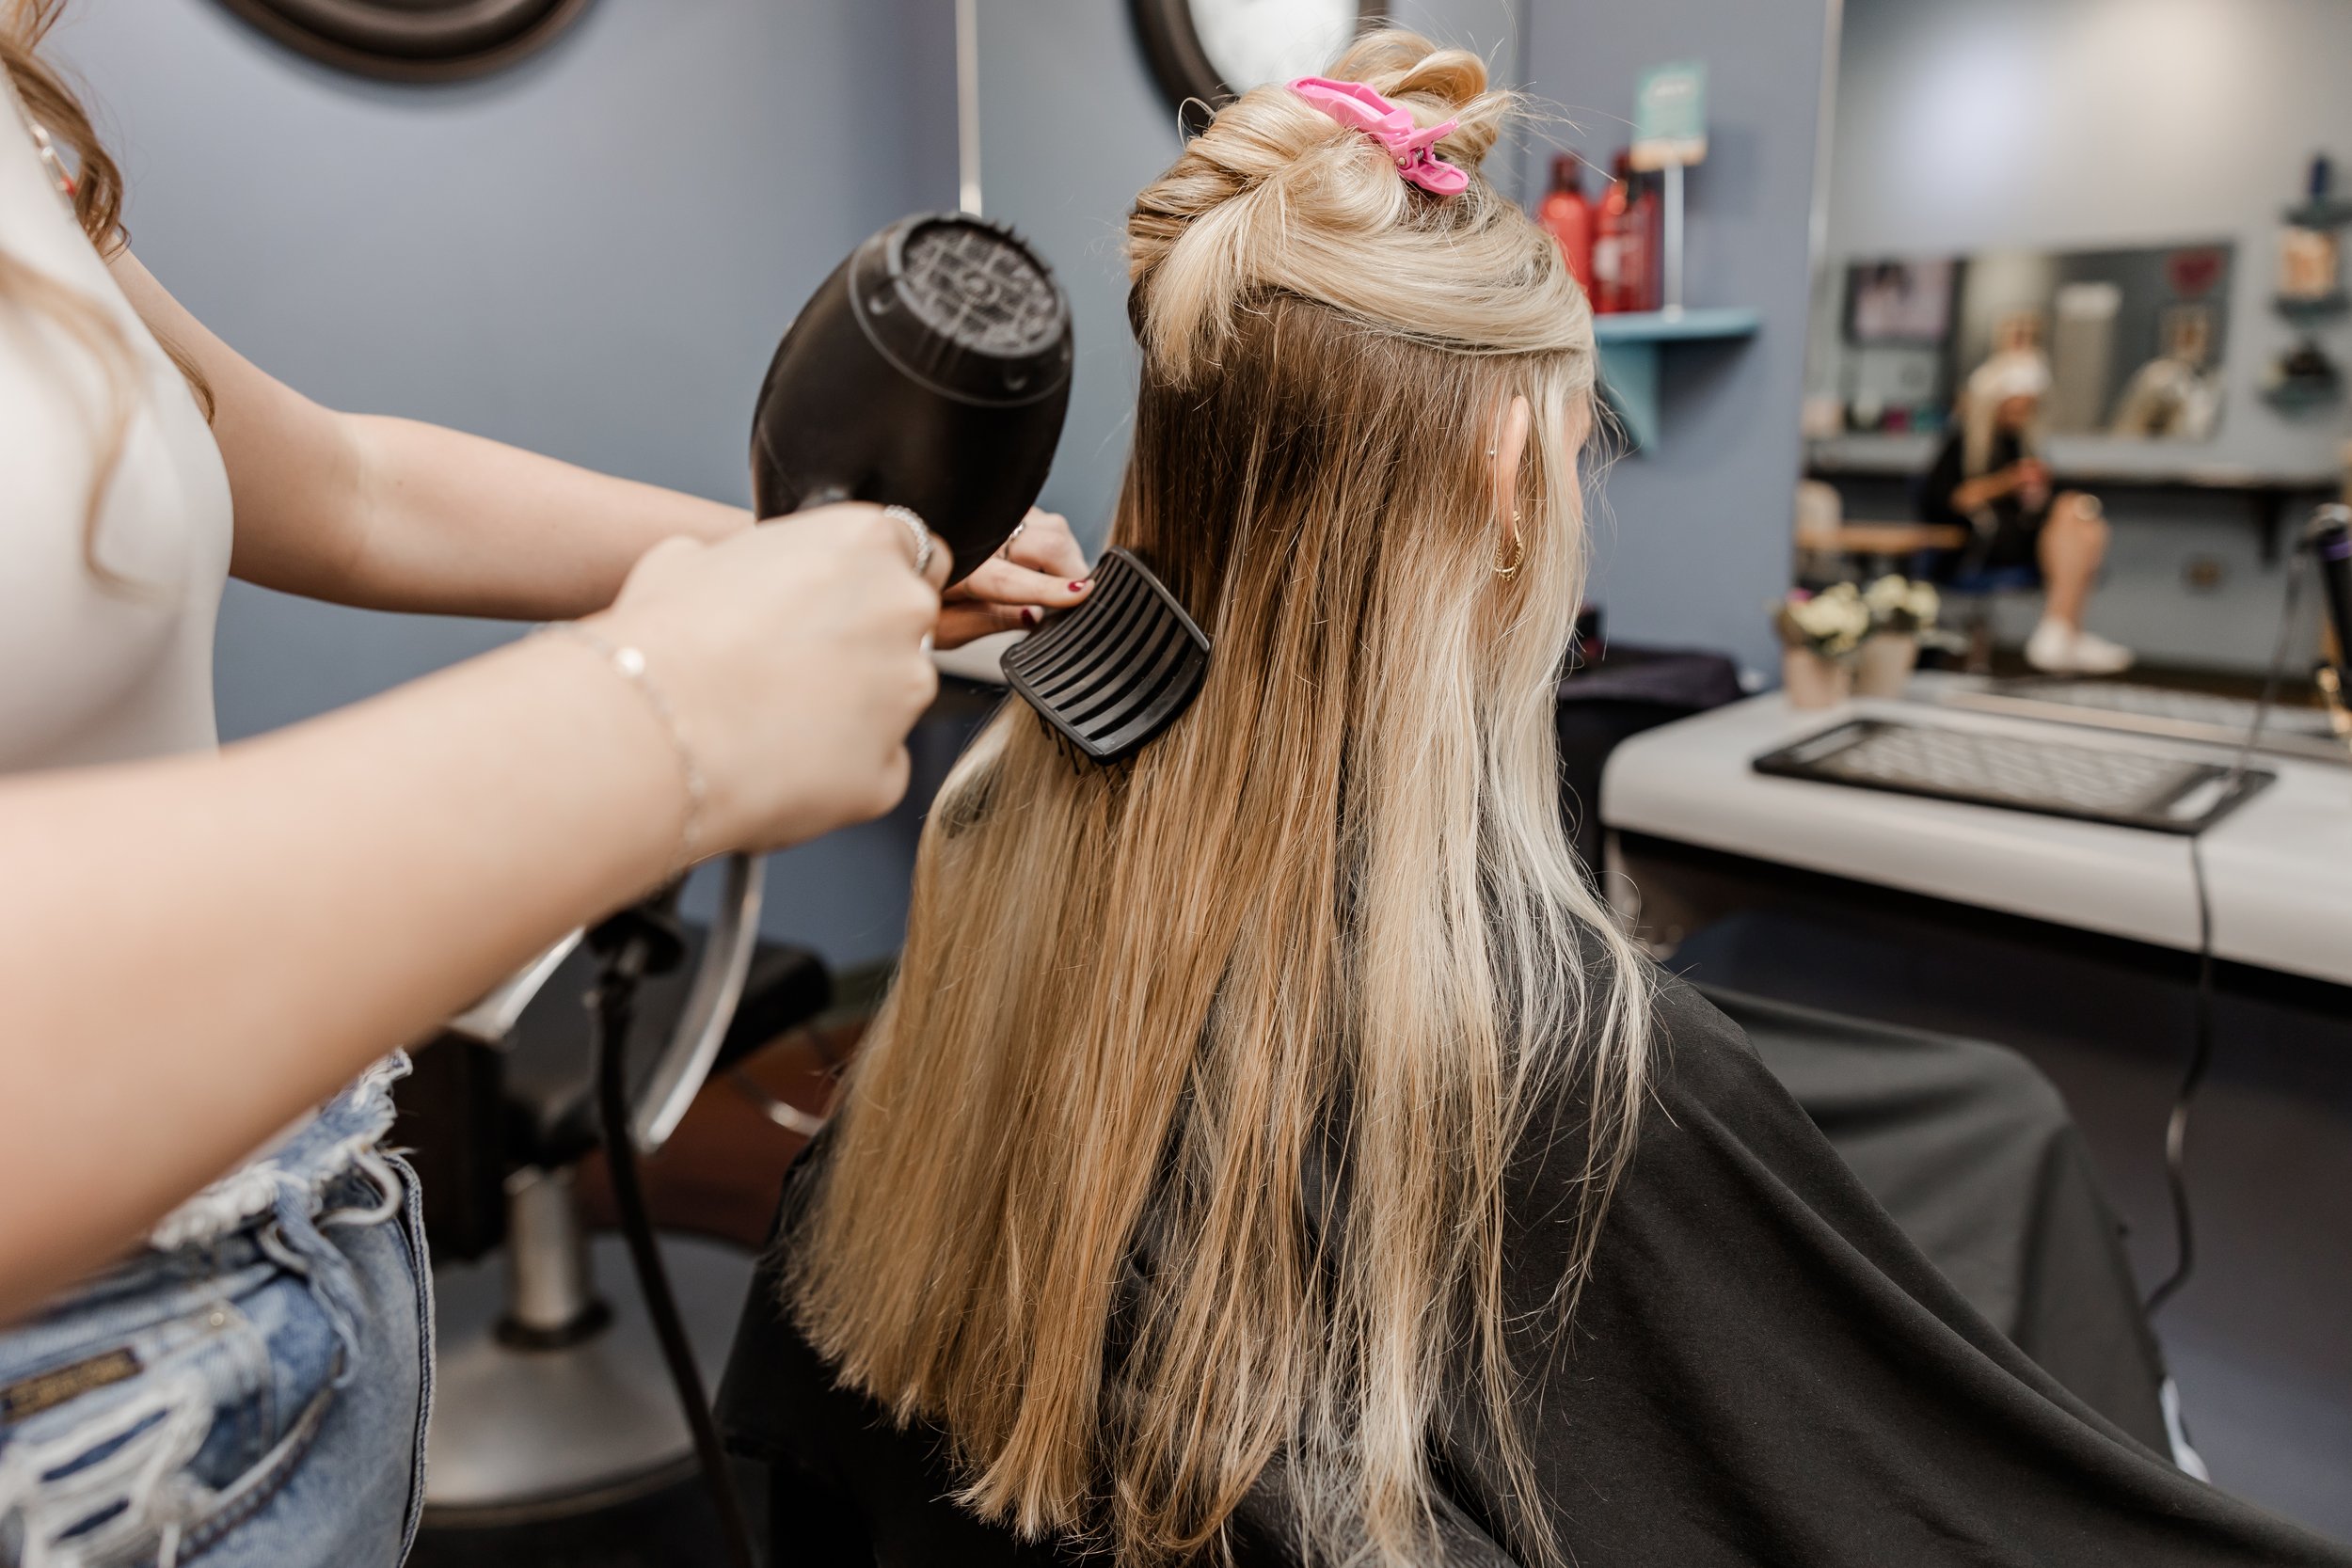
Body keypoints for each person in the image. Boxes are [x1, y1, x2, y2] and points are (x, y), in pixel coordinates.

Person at [720, 33, 2352, 1568]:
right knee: (1999, 1150)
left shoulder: (997, 826)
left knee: (1986, 1118)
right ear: (1510, 471)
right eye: (1580, 445)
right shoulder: (1585, 1057)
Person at [0, 1, 1087, 1560]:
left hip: (274, 1238)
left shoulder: (21, 136)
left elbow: (348, 488)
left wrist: (788, 569)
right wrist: (657, 719)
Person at [1920, 348, 2135, 674]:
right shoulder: (1963, 443)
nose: (2022, 415)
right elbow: (1949, 500)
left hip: (2025, 536)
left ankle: (2061, 630)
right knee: (2078, 522)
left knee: (2083, 518)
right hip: (1979, 545)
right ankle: (2062, 632)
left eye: (2028, 408)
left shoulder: (2023, 442)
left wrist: (2036, 494)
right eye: (2016, 406)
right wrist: (2008, 482)